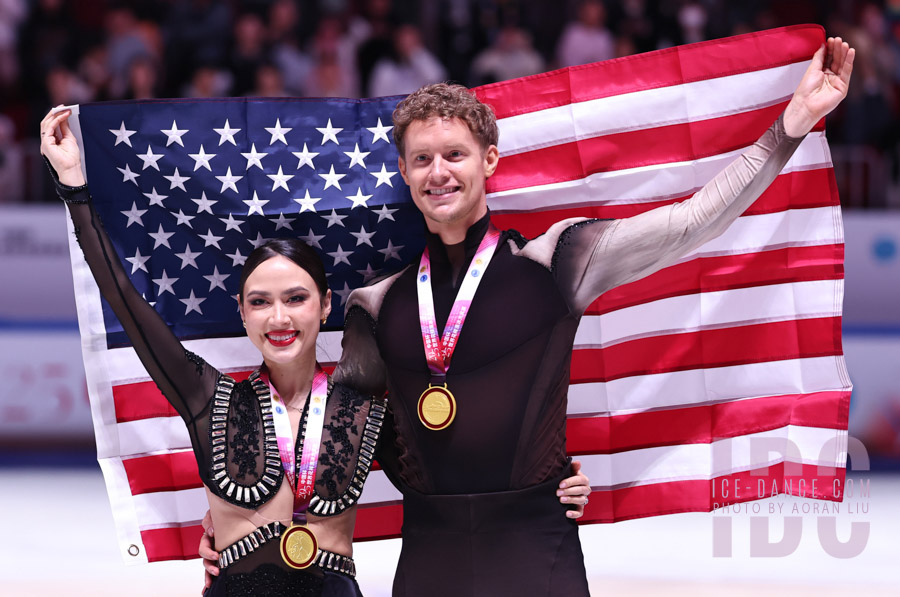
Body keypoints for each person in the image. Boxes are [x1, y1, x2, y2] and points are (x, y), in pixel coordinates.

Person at [201, 35, 854, 596]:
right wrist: (236, 536)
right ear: (403, 171)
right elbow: (327, 437)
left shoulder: (558, 260)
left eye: (454, 154)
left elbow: (692, 222)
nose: (438, 172)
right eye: (422, 159)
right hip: (430, 560)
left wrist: (790, 125)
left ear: (489, 159)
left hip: (536, 550)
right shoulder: (375, 304)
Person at [40, 108, 383, 596]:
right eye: (260, 302)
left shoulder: (361, 397)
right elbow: (122, 295)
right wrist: (73, 184)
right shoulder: (208, 400)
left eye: (295, 299)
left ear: (326, 304)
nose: (278, 318)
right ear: (241, 312)